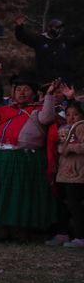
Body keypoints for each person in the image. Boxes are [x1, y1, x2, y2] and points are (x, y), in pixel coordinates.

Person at [0, 73, 59, 240]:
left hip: (24, 158)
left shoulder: (38, 111)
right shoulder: (3, 111)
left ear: (34, 93)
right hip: (0, 157)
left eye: (26, 90)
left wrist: (49, 95)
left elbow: (47, 117)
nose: (21, 93)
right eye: (18, 90)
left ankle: (21, 229)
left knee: (20, 195)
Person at [14, 15, 84, 85]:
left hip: (64, 80)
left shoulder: (66, 41)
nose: (59, 29)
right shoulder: (39, 40)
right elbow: (22, 37)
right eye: (56, 27)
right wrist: (19, 26)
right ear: (49, 28)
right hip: (45, 80)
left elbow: (81, 39)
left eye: (60, 27)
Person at [55, 101, 84, 248]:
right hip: (65, 172)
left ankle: (80, 236)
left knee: (75, 205)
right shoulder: (66, 128)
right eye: (68, 114)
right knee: (64, 204)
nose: (71, 117)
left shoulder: (81, 127)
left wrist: (71, 147)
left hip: (77, 173)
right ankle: (63, 233)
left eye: (75, 114)